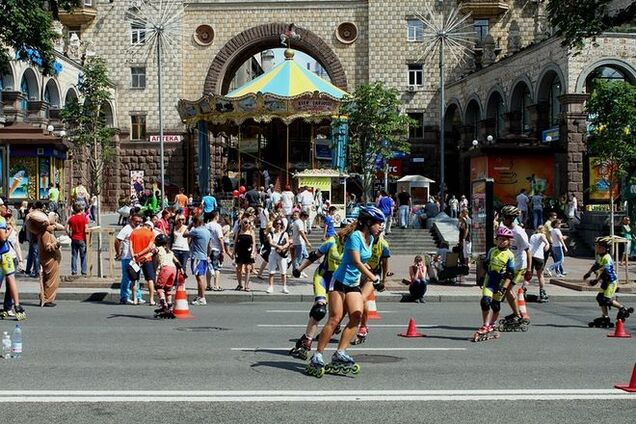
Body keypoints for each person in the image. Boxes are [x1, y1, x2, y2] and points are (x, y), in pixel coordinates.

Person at [306, 206, 385, 378]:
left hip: (353, 283)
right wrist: (375, 278)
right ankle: (317, 355)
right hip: (339, 281)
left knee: (356, 316)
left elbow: (366, 262)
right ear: (368, 222)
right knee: (335, 318)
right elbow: (357, 262)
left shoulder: (371, 239)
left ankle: (340, 353)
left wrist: (375, 276)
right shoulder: (355, 236)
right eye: (378, 223)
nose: (381, 226)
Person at [289, 230, 345, 359]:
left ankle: (334, 326)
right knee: (319, 310)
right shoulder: (331, 242)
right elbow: (314, 256)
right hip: (323, 278)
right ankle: (307, 341)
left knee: (339, 312)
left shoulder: (355, 245)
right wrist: (299, 269)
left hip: (339, 281)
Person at [472, 226, 516, 342]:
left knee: (495, 305)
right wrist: (481, 277)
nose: (501, 242)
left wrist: (504, 287)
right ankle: (485, 324)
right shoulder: (492, 251)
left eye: (504, 240)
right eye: (499, 239)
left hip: (501, 282)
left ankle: (492, 324)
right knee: (485, 302)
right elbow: (486, 265)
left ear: (508, 241)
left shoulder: (510, 255)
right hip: (490, 280)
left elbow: (510, 275)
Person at [584, 236, 634, 327]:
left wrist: (596, 280)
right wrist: (588, 273)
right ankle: (605, 317)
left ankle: (623, 308)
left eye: (599, 247)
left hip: (611, 281)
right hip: (606, 281)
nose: (597, 248)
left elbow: (605, 272)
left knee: (606, 300)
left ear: (604, 248)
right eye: (597, 246)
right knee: (600, 298)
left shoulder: (607, 258)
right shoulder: (601, 256)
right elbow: (596, 265)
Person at [499, 205, 531, 331]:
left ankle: (518, 315)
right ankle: (516, 312)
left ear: (512, 218)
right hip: (508, 264)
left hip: (518, 265)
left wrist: (529, 269)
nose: (503, 219)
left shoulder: (519, 232)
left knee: (507, 289)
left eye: (505, 217)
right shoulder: (502, 228)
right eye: (503, 216)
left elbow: (528, 251)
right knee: (506, 290)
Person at [0, 210, 26, 320]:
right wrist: (9, 230)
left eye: (9, 217)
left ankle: (11, 306)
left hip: (9, 256)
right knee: (10, 279)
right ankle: (16, 306)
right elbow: (3, 238)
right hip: (4, 254)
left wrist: (20, 260)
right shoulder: (1, 222)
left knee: (10, 280)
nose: (8, 219)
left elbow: (17, 246)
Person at [115, 214, 144, 304]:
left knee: (137, 278)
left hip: (137, 257)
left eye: (139, 221)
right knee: (127, 278)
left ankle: (138, 296)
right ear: (131, 220)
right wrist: (118, 253)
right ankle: (124, 297)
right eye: (136, 221)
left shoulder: (139, 228)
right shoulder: (126, 229)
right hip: (127, 257)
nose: (138, 223)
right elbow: (117, 240)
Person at [152, 233, 180, 318]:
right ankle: (170, 306)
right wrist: (182, 270)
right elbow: (177, 262)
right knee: (168, 288)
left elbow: (152, 253)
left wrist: (143, 257)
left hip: (165, 269)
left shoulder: (158, 249)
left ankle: (163, 305)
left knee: (159, 287)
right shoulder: (169, 251)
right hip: (173, 269)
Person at [39, 213, 64, 307]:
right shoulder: (45, 233)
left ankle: (46, 297)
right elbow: (47, 248)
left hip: (52, 259)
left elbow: (62, 227)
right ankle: (47, 299)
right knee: (51, 280)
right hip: (49, 259)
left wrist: (53, 224)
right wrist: (56, 245)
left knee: (51, 279)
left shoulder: (48, 231)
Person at [129, 220, 157, 305]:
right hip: (146, 259)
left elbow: (130, 246)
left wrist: (134, 255)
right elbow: (149, 248)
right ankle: (151, 300)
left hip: (135, 260)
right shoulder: (151, 234)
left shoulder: (134, 232)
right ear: (150, 227)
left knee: (134, 280)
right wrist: (139, 254)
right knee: (150, 279)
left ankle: (134, 299)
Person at [188, 216, 211, 305]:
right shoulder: (207, 231)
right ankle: (200, 295)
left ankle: (202, 297)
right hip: (204, 256)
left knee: (199, 278)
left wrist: (190, 226)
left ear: (196, 222)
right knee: (202, 277)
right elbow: (210, 246)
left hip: (197, 256)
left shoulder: (196, 231)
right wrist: (208, 255)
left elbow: (184, 234)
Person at [267, 218, 291, 294]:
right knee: (271, 271)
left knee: (283, 271)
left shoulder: (285, 234)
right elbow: (270, 243)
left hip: (282, 253)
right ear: (274, 224)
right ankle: (270, 287)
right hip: (273, 253)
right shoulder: (270, 234)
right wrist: (278, 246)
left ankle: (284, 287)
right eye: (277, 223)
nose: (278, 225)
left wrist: (283, 247)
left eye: (280, 224)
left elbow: (287, 243)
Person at [206, 211, 227, 291]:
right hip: (216, 249)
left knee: (209, 267)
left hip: (208, 249)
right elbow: (220, 238)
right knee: (217, 268)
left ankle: (208, 285)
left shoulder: (207, 225)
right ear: (216, 216)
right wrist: (223, 249)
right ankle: (216, 285)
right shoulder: (217, 226)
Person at [233, 218, 256, 292]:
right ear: (242, 223)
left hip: (248, 251)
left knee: (248, 268)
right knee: (239, 268)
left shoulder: (251, 232)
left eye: (249, 222)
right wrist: (233, 251)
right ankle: (240, 284)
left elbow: (254, 243)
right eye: (246, 222)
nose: (247, 224)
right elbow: (235, 242)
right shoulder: (239, 231)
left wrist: (253, 252)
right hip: (240, 251)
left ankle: (246, 285)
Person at [528, 225, 550, 303]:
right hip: (539, 257)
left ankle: (523, 290)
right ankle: (542, 292)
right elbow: (543, 239)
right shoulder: (542, 235)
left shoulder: (532, 236)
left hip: (531, 256)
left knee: (528, 274)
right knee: (540, 275)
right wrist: (547, 244)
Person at [66, 202, 89, 277]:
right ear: (81, 210)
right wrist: (87, 239)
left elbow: (67, 228)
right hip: (82, 238)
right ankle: (84, 271)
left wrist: (70, 235)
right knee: (83, 256)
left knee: (74, 256)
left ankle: (74, 271)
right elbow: (86, 229)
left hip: (74, 238)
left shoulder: (71, 218)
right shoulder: (84, 218)